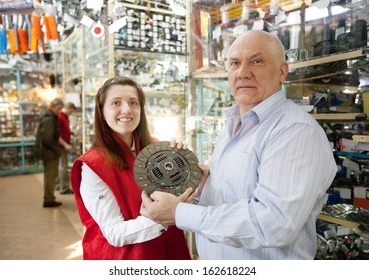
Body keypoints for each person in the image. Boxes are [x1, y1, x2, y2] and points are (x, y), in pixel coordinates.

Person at [140, 30, 338, 259]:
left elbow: (272, 223)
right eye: (234, 63)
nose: (243, 72)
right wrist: (203, 186)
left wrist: (179, 213)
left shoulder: (295, 131)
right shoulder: (235, 124)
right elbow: (236, 197)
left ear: (282, 72)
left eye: (257, 61)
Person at [70, 76, 194, 260]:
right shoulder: (92, 165)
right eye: (116, 103)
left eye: (133, 103)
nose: (126, 110)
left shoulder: (157, 149)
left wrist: (190, 170)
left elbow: (183, 196)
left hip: (170, 251)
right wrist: (164, 216)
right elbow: (114, 233)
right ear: (101, 111)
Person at [35, 98, 65, 208]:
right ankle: (48, 199)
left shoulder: (48, 117)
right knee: (50, 176)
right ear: (52, 107)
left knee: (49, 176)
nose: (59, 111)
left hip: (47, 151)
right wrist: (57, 148)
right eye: (58, 109)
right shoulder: (49, 119)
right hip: (50, 152)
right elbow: (48, 138)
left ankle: (50, 197)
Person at [57, 102, 76, 195]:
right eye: (71, 111)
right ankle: (64, 187)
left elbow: (63, 129)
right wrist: (65, 145)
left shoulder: (65, 117)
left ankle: (60, 185)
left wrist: (70, 132)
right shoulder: (60, 117)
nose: (71, 114)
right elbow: (57, 134)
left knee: (62, 166)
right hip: (61, 146)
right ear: (68, 108)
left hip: (64, 144)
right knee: (63, 166)